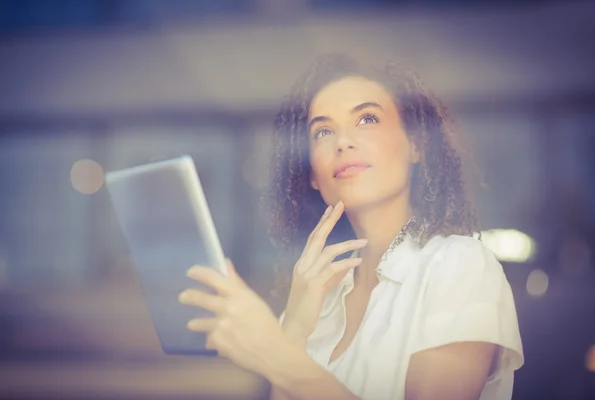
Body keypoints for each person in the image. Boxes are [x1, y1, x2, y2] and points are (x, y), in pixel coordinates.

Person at [178, 54, 524, 399]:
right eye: (323, 131)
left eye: (367, 119)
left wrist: (278, 355)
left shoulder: (459, 265)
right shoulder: (314, 295)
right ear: (313, 174)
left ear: (416, 145)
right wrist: (294, 327)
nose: (342, 141)